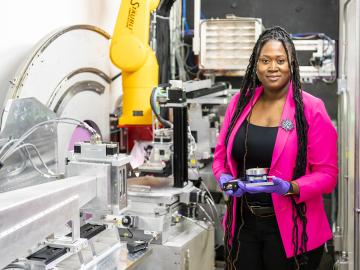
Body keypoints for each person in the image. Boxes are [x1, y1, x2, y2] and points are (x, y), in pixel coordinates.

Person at [212, 26, 338, 270]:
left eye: (280, 60)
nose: (272, 67)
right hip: (242, 227)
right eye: (265, 60)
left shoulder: (311, 108)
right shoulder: (240, 103)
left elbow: (328, 175)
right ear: (255, 64)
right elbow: (220, 159)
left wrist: (290, 187)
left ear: (292, 64)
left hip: (293, 231)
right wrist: (225, 179)